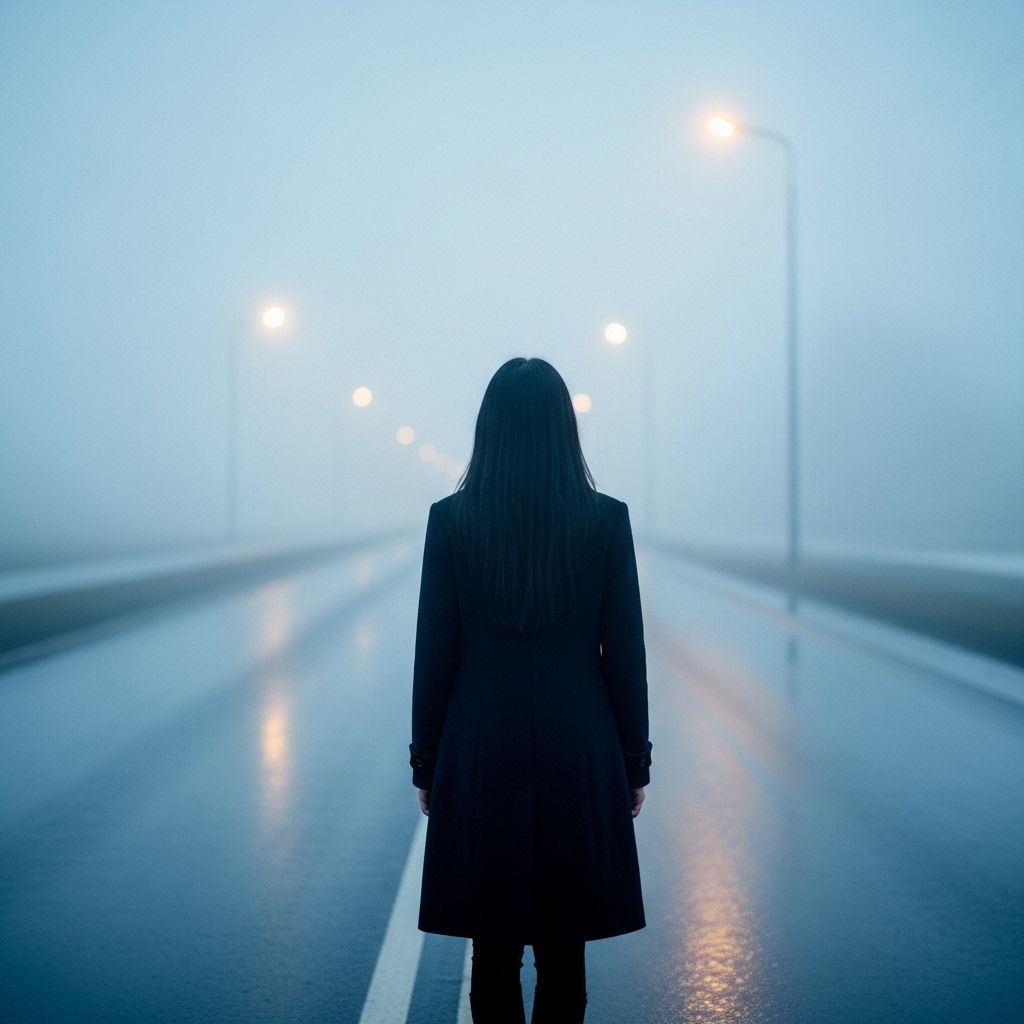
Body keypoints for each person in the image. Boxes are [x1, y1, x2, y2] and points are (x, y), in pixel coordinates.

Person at [409, 357, 653, 1024]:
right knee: (563, 960)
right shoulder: (605, 522)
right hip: (579, 750)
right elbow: (624, 659)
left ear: (488, 429)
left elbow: (435, 657)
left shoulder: (451, 521)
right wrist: (634, 764)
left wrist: (427, 763)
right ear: (562, 430)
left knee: (491, 962)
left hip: (481, 750)